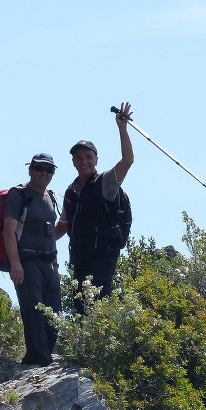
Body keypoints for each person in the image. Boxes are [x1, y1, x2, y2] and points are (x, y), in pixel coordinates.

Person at [57, 101, 134, 311]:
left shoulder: (106, 182)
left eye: (88, 157)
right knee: (80, 307)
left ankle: (98, 343)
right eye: (79, 158)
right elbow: (63, 225)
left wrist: (122, 128)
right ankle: (86, 344)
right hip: (80, 256)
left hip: (103, 255)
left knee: (97, 304)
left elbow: (127, 161)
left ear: (96, 159)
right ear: (73, 161)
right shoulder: (71, 191)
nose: (84, 161)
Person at [3, 152, 65, 366]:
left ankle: (38, 358)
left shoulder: (51, 197)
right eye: (39, 168)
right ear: (30, 169)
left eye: (49, 170)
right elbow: (8, 231)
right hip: (27, 262)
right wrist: (15, 263)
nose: (44, 173)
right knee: (34, 312)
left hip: (49, 264)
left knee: (54, 314)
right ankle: (40, 361)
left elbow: (51, 234)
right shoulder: (19, 194)